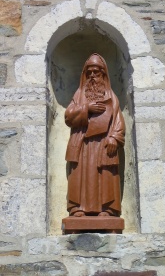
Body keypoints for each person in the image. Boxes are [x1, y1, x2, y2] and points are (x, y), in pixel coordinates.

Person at [65, 53, 125, 217]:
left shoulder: (111, 97)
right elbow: (69, 116)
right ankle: (77, 208)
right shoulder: (79, 95)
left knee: (105, 175)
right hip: (82, 144)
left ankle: (107, 210)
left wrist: (114, 137)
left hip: (104, 144)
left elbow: (119, 120)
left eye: (96, 72)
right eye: (89, 72)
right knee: (80, 174)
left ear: (103, 74)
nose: (92, 76)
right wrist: (87, 108)